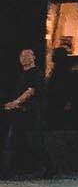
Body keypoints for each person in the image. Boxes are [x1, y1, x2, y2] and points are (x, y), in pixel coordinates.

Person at [3, 47, 55, 179]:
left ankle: (50, 168)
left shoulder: (35, 73)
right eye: (22, 56)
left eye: (27, 55)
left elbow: (30, 91)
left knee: (33, 143)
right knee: (14, 142)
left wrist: (15, 103)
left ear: (34, 57)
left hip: (31, 114)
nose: (24, 58)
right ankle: (8, 171)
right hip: (20, 114)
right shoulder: (22, 74)